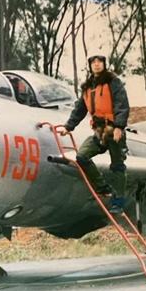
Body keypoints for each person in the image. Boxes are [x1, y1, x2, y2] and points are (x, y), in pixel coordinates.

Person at [61, 55, 130, 214]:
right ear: (90, 66)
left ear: (104, 64)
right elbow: (80, 109)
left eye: (100, 62)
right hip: (99, 132)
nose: (97, 64)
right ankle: (102, 187)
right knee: (82, 156)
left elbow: (122, 104)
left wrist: (119, 127)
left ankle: (118, 203)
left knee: (117, 166)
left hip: (113, 130)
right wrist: (68, 127)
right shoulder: (87, 87)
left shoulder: (113, 82)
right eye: (94, 62)